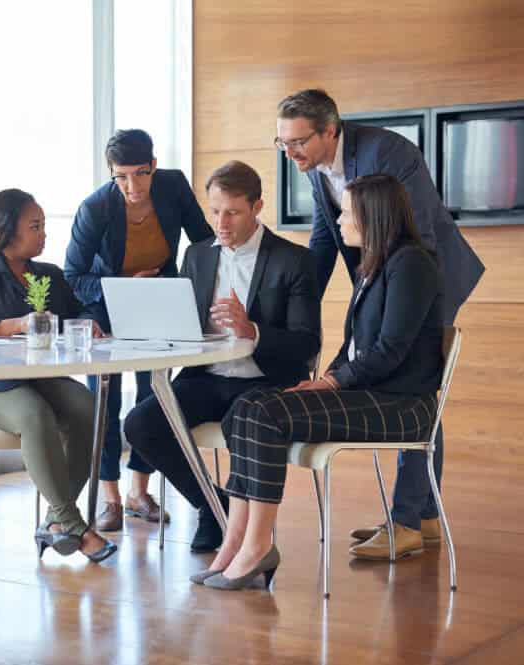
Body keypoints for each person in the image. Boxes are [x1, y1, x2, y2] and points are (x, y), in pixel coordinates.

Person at [196, 174, 445, 590]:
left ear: (373, 215)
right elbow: (353, 346)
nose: (339, 219)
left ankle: (257, 546)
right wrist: (327, 378)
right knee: (244, 408)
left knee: (260, 412)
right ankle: (234, 542)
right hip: (371, 395)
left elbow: (390, 351)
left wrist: (331, 384)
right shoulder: (376, 263)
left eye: (347, 212)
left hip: (402, 407)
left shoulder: (412, 263)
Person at [275, 89, 485, 557]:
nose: (290, 154)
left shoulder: (386, 153)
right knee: (404, 382)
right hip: (381, 276)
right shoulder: (316, 166)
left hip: (424, 275)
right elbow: (324, 239)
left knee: (415, 385)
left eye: (298, 143)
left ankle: (407, 520)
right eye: (282, 143)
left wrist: (396, 295)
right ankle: (423, 515)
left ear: (329, 131)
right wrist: (297, 298)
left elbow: (419, 235)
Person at [124, 160, 321, 553]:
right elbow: (183, 326)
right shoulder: (197, 256)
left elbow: (306, 344)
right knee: (140, 424)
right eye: (214, 211)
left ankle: (242, 531)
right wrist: (154, 312)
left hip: (265, 382)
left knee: (241, 423)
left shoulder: (293, 261)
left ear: (257, 207)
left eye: (232, 212)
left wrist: (254, 331)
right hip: (205, 377)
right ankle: (213, 505)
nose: (221, 222)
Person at [0, 188, 116, 563]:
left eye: (43, 226)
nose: (44, 234)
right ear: (7, 231)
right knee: (33, 413)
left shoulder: (51, 275)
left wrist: (89, 324)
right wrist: (14, 325)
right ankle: (74, 526)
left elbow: (78, 312)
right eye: (35, 226)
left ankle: (55, 522)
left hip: (40, 377)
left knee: (88, 406)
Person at [64, 129, 214, 532]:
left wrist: (187, 291)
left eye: (141, 174)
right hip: (107, 306)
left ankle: (138, 492)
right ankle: (109, 498)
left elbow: (204, 242)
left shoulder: (173, 186)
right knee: (105, 400)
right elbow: (72, 274)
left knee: (152, 399)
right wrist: (124, 288)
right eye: (122, 176)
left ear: (154, 165)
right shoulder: (95, 207)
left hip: (158, 302)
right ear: (111, 174)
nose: (132, 185)